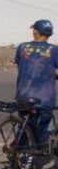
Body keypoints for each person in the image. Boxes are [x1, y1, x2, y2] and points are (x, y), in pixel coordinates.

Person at [14, 19, 58, 154]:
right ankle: (37, 149)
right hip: (45, 97)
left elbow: (20, 66)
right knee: (44, 120)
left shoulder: (22, 47)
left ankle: (19, 151)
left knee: (25, 122)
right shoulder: (54, 50)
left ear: (36, 32)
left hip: (23, 95)